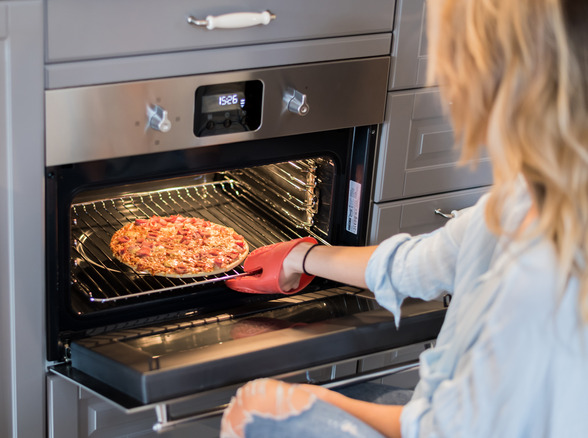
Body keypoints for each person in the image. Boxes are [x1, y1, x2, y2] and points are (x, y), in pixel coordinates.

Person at [220, 0, 588, 436]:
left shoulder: (541, 277)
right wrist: (302, 255)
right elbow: (417, 263)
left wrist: (305, 398)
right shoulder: (525, 203)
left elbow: (442, 431)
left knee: (257, 413)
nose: (444, 80)